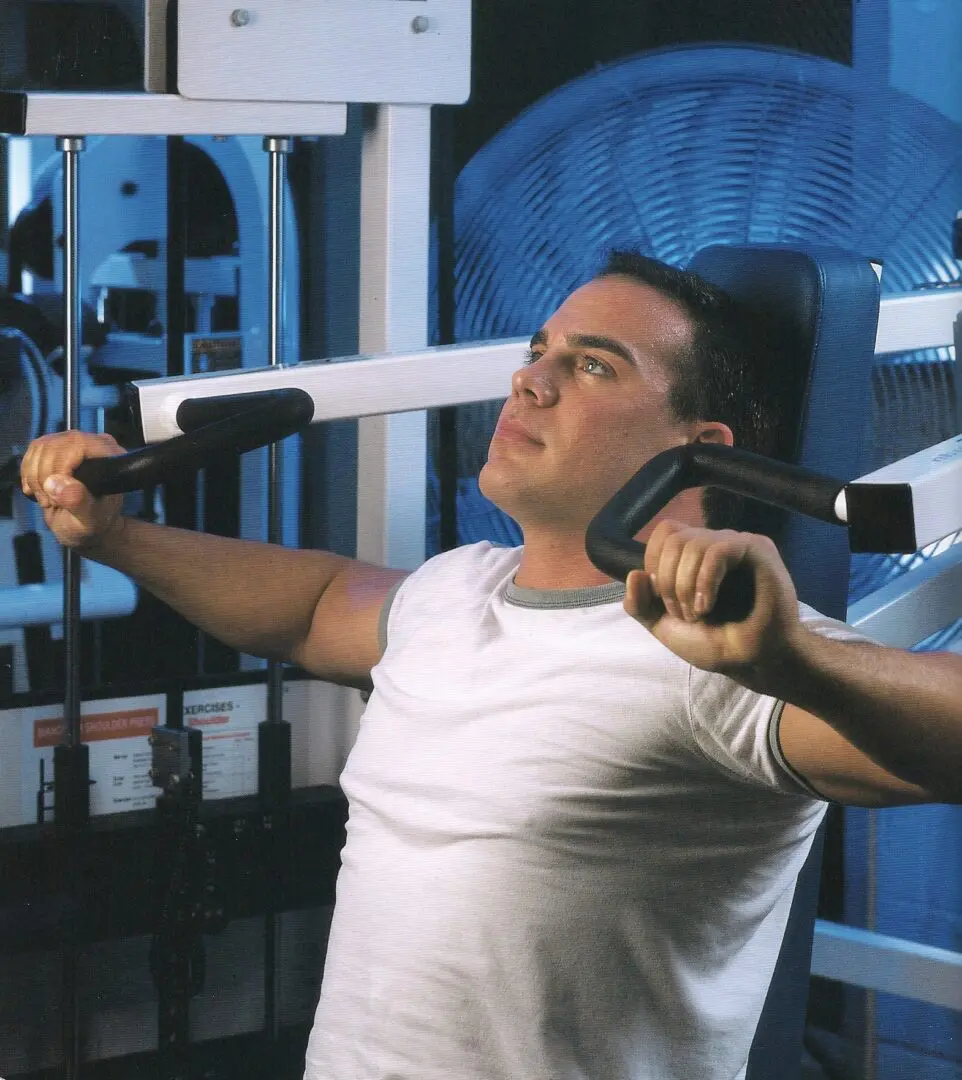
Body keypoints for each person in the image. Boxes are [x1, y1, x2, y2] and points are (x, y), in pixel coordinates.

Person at [21, 252, 962, 1080]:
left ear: (698, 450)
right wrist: (118, 537)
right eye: (537, 350)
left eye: (593, 364)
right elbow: (309, 607)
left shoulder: (717, 654)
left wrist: (797, 661)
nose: (530, 383)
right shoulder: (455, 590)